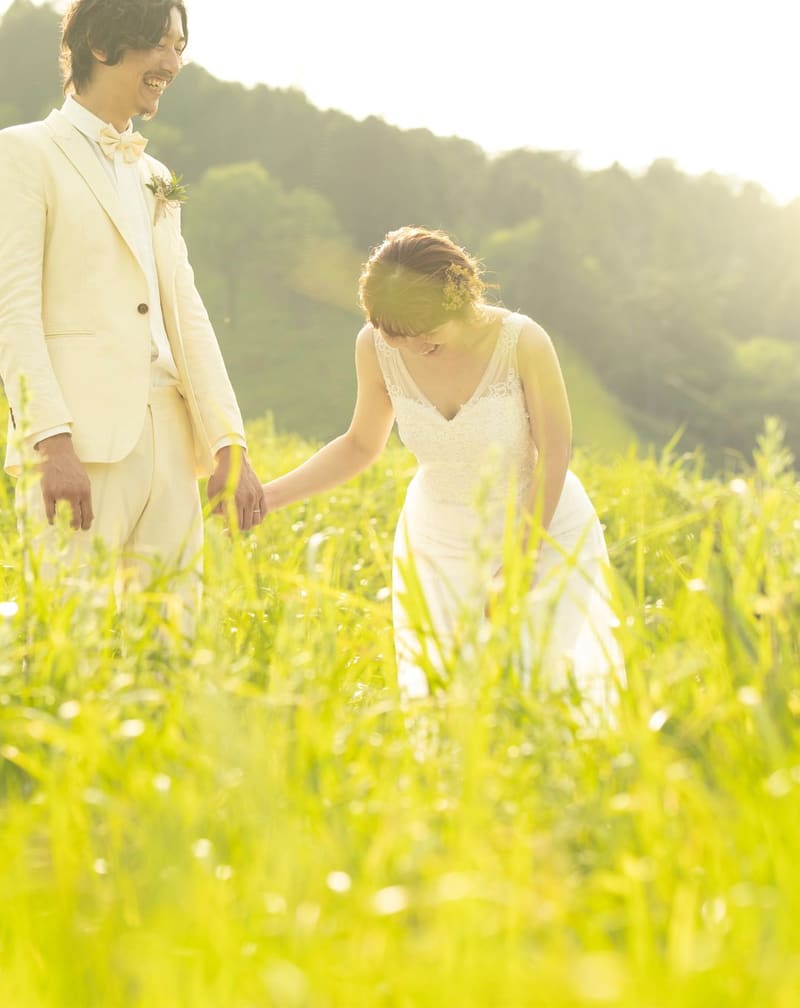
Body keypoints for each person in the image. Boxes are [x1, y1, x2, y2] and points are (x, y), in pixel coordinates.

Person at [0, 0, 264, 613]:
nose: (174, 64)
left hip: (171, 441)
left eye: (179, 47)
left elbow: (186, 314)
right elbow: (12, 312)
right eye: (159, 45)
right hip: (80, 445)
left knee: (172, 647)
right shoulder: (22, 153)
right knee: (67, 643)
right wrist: (50, 442)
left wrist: (227, 444)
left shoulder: (156, 176)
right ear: (101, 45)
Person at [263, 226, 622, 716]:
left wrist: (518, 562)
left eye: (423, 336)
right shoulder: (378, 345)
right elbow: (361, 443)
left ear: (458, 300)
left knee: (542, 692)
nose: (407, 347)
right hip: (438, 542)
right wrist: (269, 498)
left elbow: (555, 451)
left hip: (539, 528)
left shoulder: (522, 341)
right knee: (452, 705)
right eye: (393, 334)